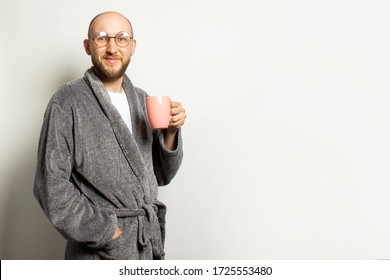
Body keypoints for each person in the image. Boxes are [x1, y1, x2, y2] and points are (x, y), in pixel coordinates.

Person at [33, 11, 186, 260]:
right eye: (102, 38)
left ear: (133, 46)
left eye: (122, 38)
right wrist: (107, 232)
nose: (112, 47)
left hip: (144, 247)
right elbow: (49, 185)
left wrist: (170, 132)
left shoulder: (141, 99)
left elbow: (159, 175)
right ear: (88, 46)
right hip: (100, 253)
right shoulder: (68, 100)